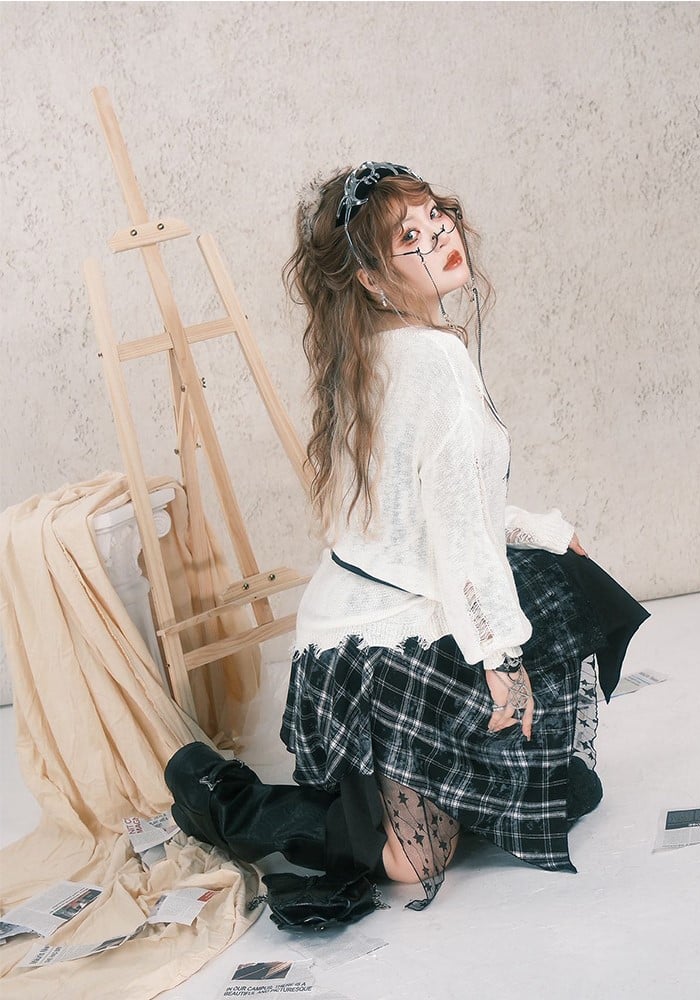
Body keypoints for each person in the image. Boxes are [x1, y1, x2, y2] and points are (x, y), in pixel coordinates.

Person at [165, 162, 648, 911]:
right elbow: (454, 529)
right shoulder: (433, 360)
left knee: (551, 576)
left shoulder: (370, 350)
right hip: (386, 644)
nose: (440, 237)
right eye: (410, 237)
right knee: (411, 863)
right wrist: (502, 661)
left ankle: (447, 775)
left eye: (435, 218)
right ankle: (232, 800)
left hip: (345, 636)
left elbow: (420, 508)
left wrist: (539, 529)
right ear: (370, 277)